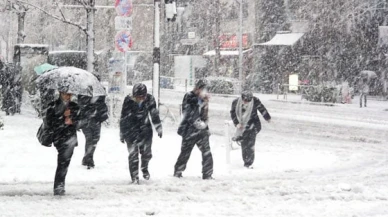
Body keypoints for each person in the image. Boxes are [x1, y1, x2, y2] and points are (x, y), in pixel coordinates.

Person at [120, 83, 162, 184]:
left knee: (147, 154)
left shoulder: (150, 99)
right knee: (133, 155)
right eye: (137, 97)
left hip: (145, 131)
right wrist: (122, 133)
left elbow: (154, 114)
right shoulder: (128, 100)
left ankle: (144, 167)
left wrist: (158, 127)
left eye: (142, 96)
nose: (140, 99)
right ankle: (134, 177)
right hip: (130, 131)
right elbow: (123, 117)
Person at [174, 79, 214, 180]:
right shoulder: (189, 96)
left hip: (201, 130)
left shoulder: (204, 99)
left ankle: (207, 174)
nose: (206, 93)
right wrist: (197, 122)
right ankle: (178, 172)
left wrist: (205, 125)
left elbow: (204, 115)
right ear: (198, 89)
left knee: (207, 152)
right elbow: (188, 112)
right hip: (189, 130)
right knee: (185, 152)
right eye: (204, 90)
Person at [44, 90, 80, 196]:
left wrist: (72, 120)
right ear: (60, 93)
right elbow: (49, 122)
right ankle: (59, 185)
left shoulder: (74, 106)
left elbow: (81, 122)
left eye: (70, 94)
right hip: (59, 137)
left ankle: (59, 184)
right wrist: (62, 117)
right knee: (63, 161)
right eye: (65, 94)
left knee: (64, 162)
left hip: (70, 137)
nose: (68, 96)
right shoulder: (52, 105)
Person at [230, 90, 271, 169]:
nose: (246, 102)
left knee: (250, 144)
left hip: (253, 125)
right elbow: (233, 113)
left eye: (248, 101)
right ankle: (246, 161)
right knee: (244, 144)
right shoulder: (235, 102)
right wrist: (237, 123)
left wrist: (267, 118)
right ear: (242, 98)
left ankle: (249, 163)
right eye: (245, 100)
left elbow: (262, 109)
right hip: (242, 127)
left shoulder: (255, 101)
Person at [79, 95, 108, 169]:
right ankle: (89, 160)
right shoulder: (84, 92)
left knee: (95, 139)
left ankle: (86, 157)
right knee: (89, 139)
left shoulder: (100, 93)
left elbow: (103, 106)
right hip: (86, 121)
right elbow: (81, 106)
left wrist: (98, 111)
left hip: (96, 120)